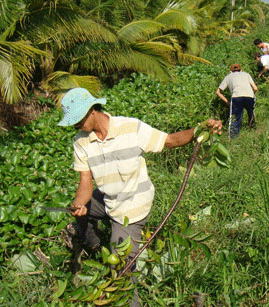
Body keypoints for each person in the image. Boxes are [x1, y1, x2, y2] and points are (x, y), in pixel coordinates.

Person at [58, 87, 222, 307]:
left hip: (133, 205)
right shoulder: (81, 142)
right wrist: (79, 203)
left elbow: (170, 140)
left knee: (121, 268)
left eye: (78, 120)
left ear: (92, 111)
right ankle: (96, 246)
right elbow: (85, 182)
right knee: (80, 214)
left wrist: (200, 129)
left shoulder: (131, 127)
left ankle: (130, 301)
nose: (76, 125)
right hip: (109, 198)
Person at [215, 64, 258, 138]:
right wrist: (251, 95)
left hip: (237, 97)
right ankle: (253, 131)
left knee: (235, 118)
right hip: (249, 96)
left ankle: (233, 137)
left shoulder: (228, 76)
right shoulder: (246, 74)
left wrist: (227, 102)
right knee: (251, 114)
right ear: (241, 70)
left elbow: (218, 92)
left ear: (231, 71)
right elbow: (255, 88)